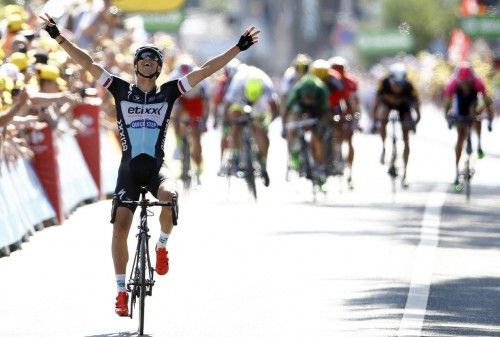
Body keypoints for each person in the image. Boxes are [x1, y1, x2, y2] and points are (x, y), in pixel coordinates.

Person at [40, 13, 260, 317]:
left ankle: (161, 245)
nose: (147, 61)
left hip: (156, 166)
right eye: (142, 57)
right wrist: (59, 37)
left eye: (152, 59)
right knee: (120, 227)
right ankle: (120, 291)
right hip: (128, 170)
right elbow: (88, 64)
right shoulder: (120, 90)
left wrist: (237, 48)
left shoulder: (169, 92)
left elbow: (206, 70)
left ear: (158, 67)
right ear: (135, 65)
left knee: (170, 197)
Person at [223, 65, 279, 186]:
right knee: (236, 122)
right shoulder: (238, 83)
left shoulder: (266, 84)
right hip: (240, 102)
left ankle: (263, 163)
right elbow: (227, 105)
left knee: (259, 129)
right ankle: (236, 155)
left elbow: (274, 107)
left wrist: (268, 123)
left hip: (259, 104)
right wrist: (230, 122)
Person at [444, 62, 494, 188]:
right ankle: (456, 171)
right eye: (463, 83)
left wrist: (489, 118)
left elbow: (487, 103)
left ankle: (479, 144)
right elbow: (447, 106)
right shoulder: (452, 85)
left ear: (472, 80)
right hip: (459, 106)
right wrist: (448, 118)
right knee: (460, 137)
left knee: (476, 114)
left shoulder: (478, 83)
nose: (465, 86)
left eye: (468, 83)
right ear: (458, 81)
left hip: (473, 104)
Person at [371, 63, 421, 188]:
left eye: (400, 85)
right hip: (387, 104)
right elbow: (377, 101)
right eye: (395, 85)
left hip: (404, 106)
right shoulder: (384, 83)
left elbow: (416, 103)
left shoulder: (409, 86)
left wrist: (416, 119)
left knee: (406, 137)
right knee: (383, 116)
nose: (397, 88)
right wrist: (375, 119)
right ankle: (384, 147)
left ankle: (405, 173)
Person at [284, 73, 330, 183]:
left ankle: (320, 166)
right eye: (306, 97)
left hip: (317, 109)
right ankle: (294, 153)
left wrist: (322, 126)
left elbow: (325, 113)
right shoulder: (297, 90)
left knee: (318, 138)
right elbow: (287, 110)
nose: (309, 100)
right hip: (300, 107)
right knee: (293, 124)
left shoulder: (321, 91)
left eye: (311, 97)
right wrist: (285, 125)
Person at [328, 56, 360, 188]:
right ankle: (335, 158)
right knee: (335, 136)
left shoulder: (350, 81)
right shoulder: (330, 80)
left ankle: (350, 171)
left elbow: (354, 101)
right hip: (334, 110)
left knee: (349, 139)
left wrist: (355, 118)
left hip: (347, 111)